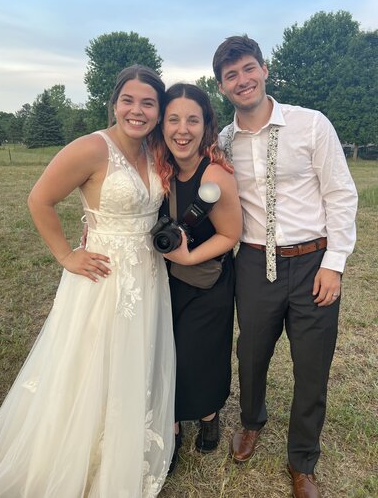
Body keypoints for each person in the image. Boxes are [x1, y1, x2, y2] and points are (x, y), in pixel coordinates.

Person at [0, 65, 176, 498]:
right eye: (129, 100)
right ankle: (75, 452)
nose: (137, 111)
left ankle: (123, 442)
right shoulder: (91, 148)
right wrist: (66, 254)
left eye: (148, 103)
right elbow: (40, 199)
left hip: (148, 274)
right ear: (114, 102)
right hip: (103, 277)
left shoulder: (153, 150)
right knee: (91, 361)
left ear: (158, 111)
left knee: (134, 357)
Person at [213, 35, 358, 498]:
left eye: (248, 68)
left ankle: (303, 461)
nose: (243, 80)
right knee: (251, 354)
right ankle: (252, 421)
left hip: (312, 259)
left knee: (311, 366)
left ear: (264, 69)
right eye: (231, 75)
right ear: (221, 86)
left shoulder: (310, 124)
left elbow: (340, 194)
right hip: (254, 262)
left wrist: (334, 264)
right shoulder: (223, 141)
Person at [149, 83, 242, 471]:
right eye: (173, 119)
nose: (182, 129)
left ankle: (207, 415)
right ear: (162, 125)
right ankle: (169, 428)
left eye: (193, 120)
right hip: (161, 281)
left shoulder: (215, 176)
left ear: (206, 126)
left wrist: (187, 256)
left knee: (197, 356)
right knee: (162, 352)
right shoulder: (156, 169)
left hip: (208, 279)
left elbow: (230, 234)